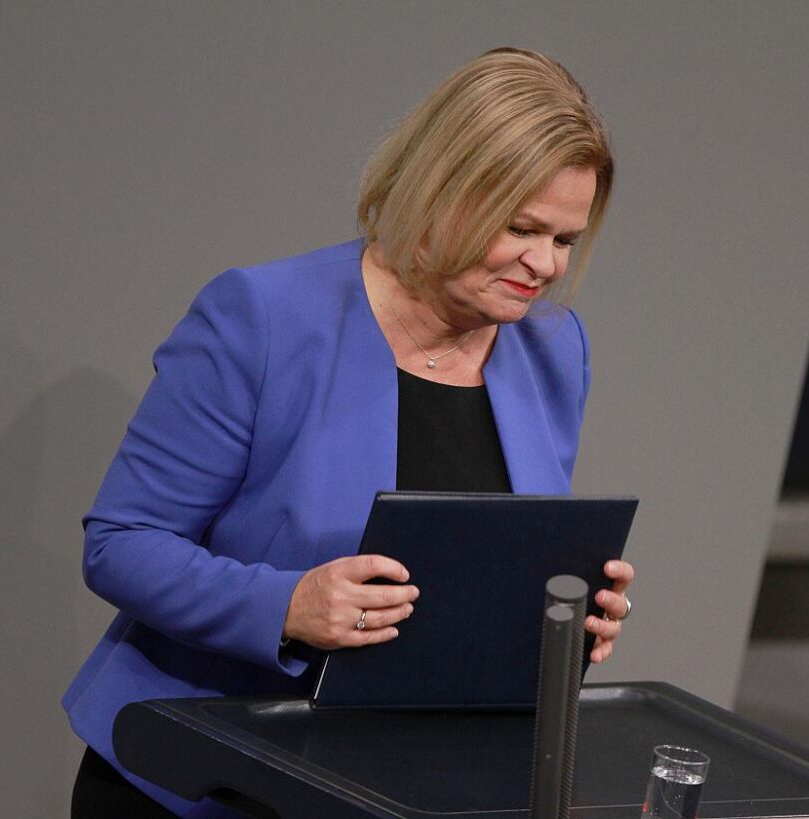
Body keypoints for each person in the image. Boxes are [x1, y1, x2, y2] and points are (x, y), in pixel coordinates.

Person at [63, 47, 634, 818]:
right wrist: (287, 604)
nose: (544, 265)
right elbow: (121, 541)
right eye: (522, 227)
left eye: (565, 240)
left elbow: (477, 561)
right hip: (203, 779)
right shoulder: (261, 317)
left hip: (392, 789)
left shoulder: (554, 347)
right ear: (443, 187)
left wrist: (564, 615)